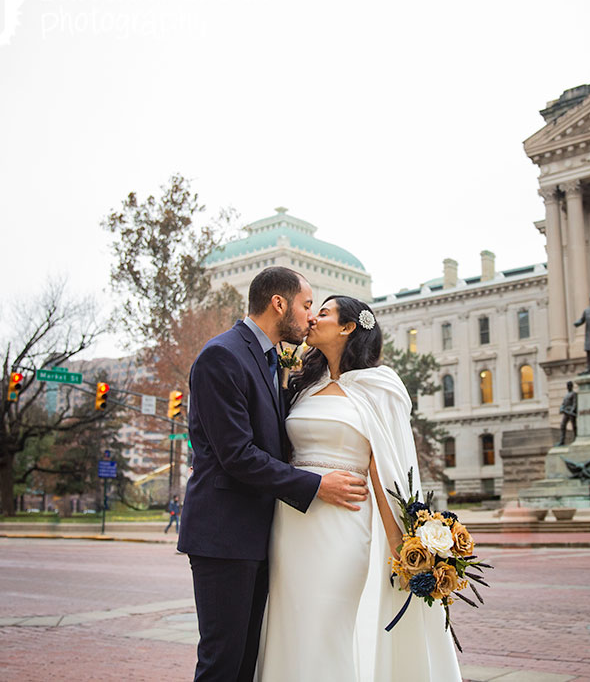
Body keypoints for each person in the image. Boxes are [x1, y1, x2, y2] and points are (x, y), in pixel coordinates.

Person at [178, 267, 370, 682]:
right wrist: (318, 485)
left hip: (262, 535)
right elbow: (238, 456)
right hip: (224, 535)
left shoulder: (268, 359)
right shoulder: (222, 355)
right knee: (222, 662)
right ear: (278, 304)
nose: (310, 317)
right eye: (305, 306)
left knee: (249, 660)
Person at [257, 295, 462, 682]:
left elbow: (387, 468)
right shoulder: (303, 386)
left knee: (330, 624)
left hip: (342, 524)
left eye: (325, 312)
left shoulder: (379, 386)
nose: (313, 318)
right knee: (290, 623)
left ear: (348, 327)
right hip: (290, 524)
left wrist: (404, 545)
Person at [557, 381, 577, 446]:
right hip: (566, 412)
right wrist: (561, 408)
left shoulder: (573, 394)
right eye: (567, 385)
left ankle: (576, 438)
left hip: (571, 412)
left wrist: (572, 410)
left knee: (574, 426)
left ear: (571, 386)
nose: (568, 387)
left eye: (569, 385)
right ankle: (562, 441)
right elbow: (563, 404)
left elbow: (575, 403)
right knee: (562, 425)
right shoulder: (566, 395)